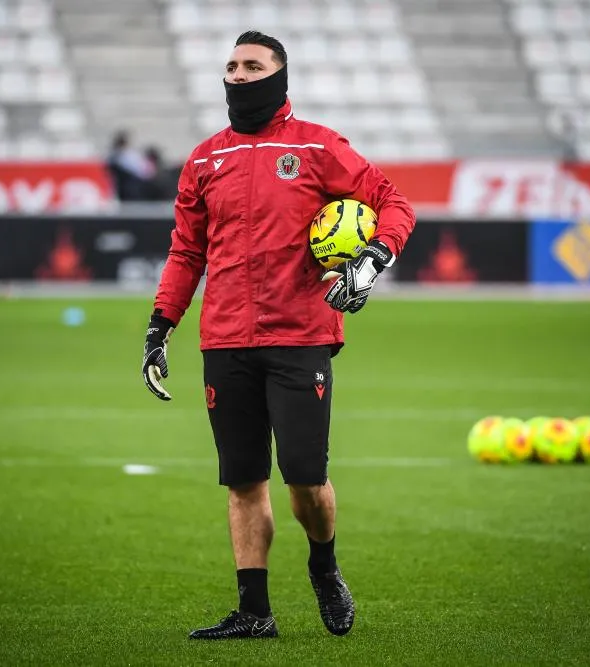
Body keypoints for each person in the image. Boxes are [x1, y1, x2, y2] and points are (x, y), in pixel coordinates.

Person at [141, 30, 415, 640]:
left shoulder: (318, 146)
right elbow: (186, 253)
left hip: (301, 335)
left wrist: (371, 259)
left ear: (278, 77)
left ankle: (324, 566)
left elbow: (394, 204)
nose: (238, 74)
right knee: (242, 479)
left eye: (252, 65)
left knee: (305, 480)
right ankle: (254, 611)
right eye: (232, 65)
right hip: (226, 339)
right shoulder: (205, 159)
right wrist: (162, 325)